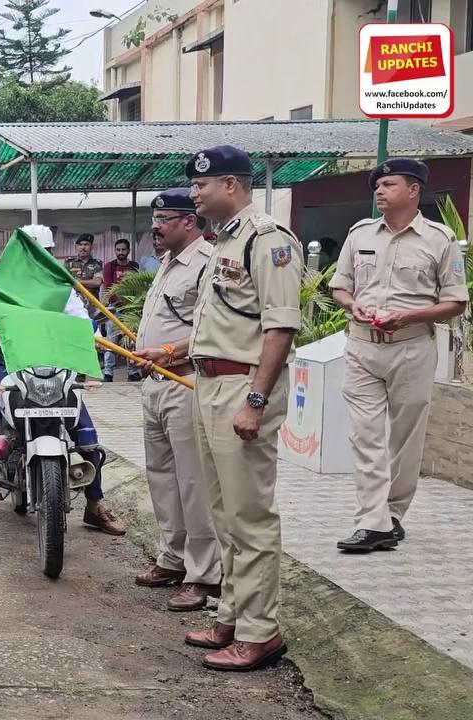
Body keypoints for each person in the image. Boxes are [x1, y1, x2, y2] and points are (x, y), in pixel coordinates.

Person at [138, 145, 302, 672]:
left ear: (229, 185)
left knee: (250, 517)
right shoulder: (225, 242)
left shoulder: (269, 241)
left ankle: (261, 634)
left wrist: (255, 401)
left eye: (201, 186)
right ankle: (231, 615)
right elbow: (212, 329)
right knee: (224, 514)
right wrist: (169, 352)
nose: (194, 194)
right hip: (206, 386)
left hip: (241, 389)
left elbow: (279, 327)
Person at [0, 226, 126, 537]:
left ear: (51, 255)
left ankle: (95, 506)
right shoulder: (2, 286)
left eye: (44, 254)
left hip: (56, 369)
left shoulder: (62, 288)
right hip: (10, 365)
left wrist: (94, 337)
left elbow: (80, 318)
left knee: (87, 435)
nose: (37, 260)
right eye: (30, 255)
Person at [329, 158, 468, 552]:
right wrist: (351, 304)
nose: (379, 190)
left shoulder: (439, 241)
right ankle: (372, 521)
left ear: (414, 191)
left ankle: (392, 515)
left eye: (388, 184)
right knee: (365, 436)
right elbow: (340, 287)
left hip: (412, 347)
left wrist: (410, 314)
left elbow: (455, 301)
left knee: (406, 439)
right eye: (377, 185)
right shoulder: (359, 234)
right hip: (361, 347)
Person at [130, 189, 221, 611]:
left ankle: (205, 576)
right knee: (161, 478)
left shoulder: (208, 264)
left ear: (189, 221)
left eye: (165, 217)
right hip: (153, 385)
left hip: (185, 384)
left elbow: (212, 329)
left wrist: (167, 352)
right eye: (155, 217)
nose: (156, 225)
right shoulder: (166, 263)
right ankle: (173, 559)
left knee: (192, 482)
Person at [101, 238, 139, 382]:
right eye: (118, 250)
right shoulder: (109, 266)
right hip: (114, 308)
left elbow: (138, 286)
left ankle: (133, 371)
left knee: (130, 341)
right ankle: (109, 373)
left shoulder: (134, 266)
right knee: (111, 341)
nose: (120, 252)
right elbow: (109, 288)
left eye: (123, 249)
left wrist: (130, 303)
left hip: (130, 308)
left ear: (128, 251)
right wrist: (120, 300)